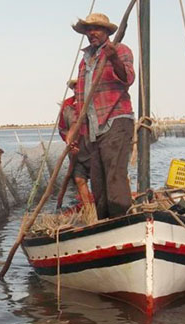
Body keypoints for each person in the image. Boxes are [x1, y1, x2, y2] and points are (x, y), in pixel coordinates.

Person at [71, 12, 136, 219]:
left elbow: (128, 78)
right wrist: (76, 131)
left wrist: (114, 58)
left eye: (96, 29)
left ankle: (121, 221)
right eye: (88, 30)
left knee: (114, 177)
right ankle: (106, 223)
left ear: (107, 31)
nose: (92, 33)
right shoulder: (85, 60)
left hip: (115, 120)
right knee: (97, 181)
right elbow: (81, 99)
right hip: (93, 127)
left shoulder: (120, 50)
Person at [58, 79, 92, 207]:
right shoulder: (67, 105)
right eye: (75, 87)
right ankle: (89, 210)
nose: (77, 89)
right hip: (76, 152)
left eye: (80, 86)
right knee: (79, 179)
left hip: (93, 149)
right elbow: (62, 128)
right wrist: (69, 143)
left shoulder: (93, 102)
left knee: (100, 180)